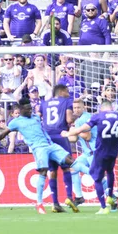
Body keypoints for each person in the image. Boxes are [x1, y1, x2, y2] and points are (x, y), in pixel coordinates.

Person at [0, 97, 81, 214]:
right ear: (21, 109)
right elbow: (3, 134)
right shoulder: (16, 122)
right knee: (45, 171)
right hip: (38, 149)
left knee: (69, 161)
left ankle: (88, 179)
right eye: (27, 109)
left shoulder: (36, 117)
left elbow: (43, 130)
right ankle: (39, 203)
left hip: (49, 145)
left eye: (31, 108)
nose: (30, 111)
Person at [62, 100, 118, 214]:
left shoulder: (87, 118)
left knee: (96, 176)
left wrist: (70, 132)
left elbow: (87, 136)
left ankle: (112, 196)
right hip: (87, 153)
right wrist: (69, 134)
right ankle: (80, 197)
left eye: (78, 107)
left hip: (95, 151)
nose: (76, 110)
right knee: (73, 168)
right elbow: (75, 139)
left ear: (84, 108)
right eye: (74, 108)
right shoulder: (80, 120)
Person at [40, 84, 77, 213]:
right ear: (61, 92)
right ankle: (69, 197)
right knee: (67, 166)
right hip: (61, 136)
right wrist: (75, 117)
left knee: (52, 170)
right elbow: (68, 119)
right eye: (67, 91)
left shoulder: (44, 103)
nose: (68, 94)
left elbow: (39, 117)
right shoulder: (66, 101)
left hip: (48, 138)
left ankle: (55, 203)